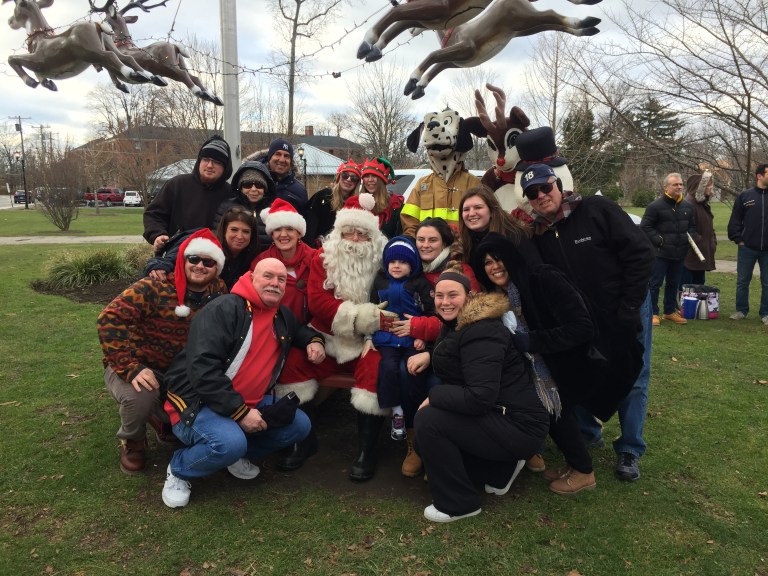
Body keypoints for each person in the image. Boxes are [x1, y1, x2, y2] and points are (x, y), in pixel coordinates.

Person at [523, 163, 655, 482]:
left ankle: (630, 448)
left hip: (626, 306)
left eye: (545, 187)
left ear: (558, 185)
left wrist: (629, 307)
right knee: (581, 370)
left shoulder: (597, 210)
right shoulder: (538, 234)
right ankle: (586, 432)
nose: (541, 195)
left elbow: (640, 254)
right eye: (532, 193)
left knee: (633, 372)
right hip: (583, 318)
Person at [160, 258, 326, 508]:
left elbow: (299, 330)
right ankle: (180, 468)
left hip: (251, 401)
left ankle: (233, 456)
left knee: (299, 425)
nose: (275, 283)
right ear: (251, 278)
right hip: (198, 402)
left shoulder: (280, 314)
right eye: (268, 276)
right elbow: (202, 371)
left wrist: (314, 340)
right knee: (230, 443)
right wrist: (240, 413)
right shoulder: (224, 309)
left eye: (281, 279)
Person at [410, 266, 549, 522]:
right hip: (500, 416)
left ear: (469, 296)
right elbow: (458, 355)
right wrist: (430, 354)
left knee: (429, 421)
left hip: (517, 424)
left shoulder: (482, 330)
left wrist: (436, 395)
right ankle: (500, 470)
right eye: (439, 296)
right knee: (423, 441)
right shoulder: (457, 325)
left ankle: (459, 503)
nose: (444, 302)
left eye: (453, 295)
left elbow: (479, 396)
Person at [274, 193, 397, 481]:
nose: (354, 239)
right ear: (338, 232)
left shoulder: (385, 260)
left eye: (362, 233)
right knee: (292, 362)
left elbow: (393, 301)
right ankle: (302, 440)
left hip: (369, 341)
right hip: (326, 338)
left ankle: (367, 451)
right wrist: (359, 316)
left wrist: (370, 328)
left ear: (373, 235)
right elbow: (318, 302)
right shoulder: (323, 258)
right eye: (348, 231)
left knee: (377, 370)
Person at [474, 232, 605, 494]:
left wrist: (532, 341)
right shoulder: (502, 297)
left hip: (566, 362)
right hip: (538, 367)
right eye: (487, 262)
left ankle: (584, 471)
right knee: (552, 412)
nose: (494, 266)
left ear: (511, 258)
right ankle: (574, 465)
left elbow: (582, 326)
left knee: (559, 411)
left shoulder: (542, 278)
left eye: (499, 259)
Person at [97, 229, 227, 474]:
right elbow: (109, 318)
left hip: (183, 371)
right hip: (139, 365)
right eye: (194, 259)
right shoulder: (154, 286)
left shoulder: (219, 290)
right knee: (140, 397)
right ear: (183, 259)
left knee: (197, 404)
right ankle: (133, 440)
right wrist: (129, 367)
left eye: (208, 261)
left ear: (217, 267)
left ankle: (161, 420)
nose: (200, 265)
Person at [388, 217, 481, 478]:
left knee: (436, 384)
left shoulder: (459, 270)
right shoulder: (412, 269)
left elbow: (464, 317)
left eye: (432, 240)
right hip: (418, 346)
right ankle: (415, 442)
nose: (425, 245)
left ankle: (439, 445)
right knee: (407, 374)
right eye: (420, 239)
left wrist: (419, 327)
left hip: (452, 347)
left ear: (445, 243)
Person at [369, 236, 435, 441]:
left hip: (412, 338)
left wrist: (423, 336)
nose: (397, 266)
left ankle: (414, 415)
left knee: (411, 370)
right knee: (387, 368)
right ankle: (397, 412)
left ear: (413, 265)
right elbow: (371, 311)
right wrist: (369, 337)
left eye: (403, 262)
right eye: (392, 261)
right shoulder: (380, 281)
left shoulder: (420, 284)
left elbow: (429, 311)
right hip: (387, 338)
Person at [143, 135, 233, 253]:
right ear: (199, 161)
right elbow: (153, 214)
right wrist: (157, 235)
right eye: (206, 159)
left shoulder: (230, 194)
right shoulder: (177, 184)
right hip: (174, 255)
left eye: (216, 162)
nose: (210, 165)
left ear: (225, 167)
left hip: (213, 260)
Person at [640, 173, 697, 326]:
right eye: (675, 184)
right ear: (666, 187)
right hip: (660, 253)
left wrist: (690, 238)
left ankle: (669, 311)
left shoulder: (687, 207)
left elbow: (692, 227)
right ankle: (653, 313)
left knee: (673, 283)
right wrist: (659, 241)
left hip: (679, 253)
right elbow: (645, 227)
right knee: (655, 283)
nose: (679, 187)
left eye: (680, 184)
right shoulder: (655, 206)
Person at [253, 199, 316, 325]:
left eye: (289, 229)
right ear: (271, 234)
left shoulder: (315, 259)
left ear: (299, 233)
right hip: (273, 329)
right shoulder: (261, 262)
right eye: (277, 229)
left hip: (311, 331)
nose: (283, 234)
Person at [727, 163, 768, 325]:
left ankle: (765, 313)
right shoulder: (745, 196)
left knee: (767, 282)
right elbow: (735, 221)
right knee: (743, 280)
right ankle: (741, 310)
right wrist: (739, 239)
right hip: (747, 248)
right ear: (760, 176)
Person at [458, 185, 532, 265]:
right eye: (466, 209)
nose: (471, 214)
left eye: (478, 207)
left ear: (492, 210)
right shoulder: (462, 244)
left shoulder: (516, 236)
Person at [213, 160, 276, 251]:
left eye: (259, 185)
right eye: (248, 185)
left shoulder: (274, 210)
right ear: (240, 188)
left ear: (265, 189)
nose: (254, 189)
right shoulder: (226, 207)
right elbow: (217, 236)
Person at [303, 159, 361, 246]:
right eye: (345, 175)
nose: (349, 179)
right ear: (339, 177)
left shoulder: (357, 204)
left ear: (357, 183)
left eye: (354, 178)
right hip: (319, 249)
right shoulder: (323, 196)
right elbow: (310, 224)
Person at [680, 170, 716, 288]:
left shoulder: (701, 204)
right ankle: (684, 307)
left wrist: (712, 242)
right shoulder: (688, 204)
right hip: (691, 257)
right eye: (708, 184)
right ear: (699, 187)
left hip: (700, 256)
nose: (711, 187)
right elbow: (686, 230)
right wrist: (699, 241)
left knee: (698, 287)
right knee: (688, 288)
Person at [252, 138, 308, 211]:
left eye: (286, 156)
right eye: (277, 154)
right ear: (269, 157)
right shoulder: (252, 184)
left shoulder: (300, 191)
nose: (282, 160)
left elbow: (305, 220)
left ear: (291, 161)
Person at [215, 207, 261, 290]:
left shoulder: (253, 259)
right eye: (234, 230)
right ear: (224, 230)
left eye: (246, 232)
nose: (239, 236)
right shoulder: (211, 256)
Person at [359, 157, 404, 238]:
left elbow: (400, 235)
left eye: (374, 176)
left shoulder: (395, 205)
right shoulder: (357, 203)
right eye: (366, 176)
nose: (370, 180)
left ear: (382, 180)